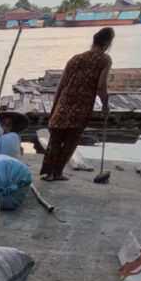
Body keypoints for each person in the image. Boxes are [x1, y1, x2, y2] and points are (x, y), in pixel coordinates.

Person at [40, 27, 114, 181]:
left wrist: (55, 105)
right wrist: (106, 104)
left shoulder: (75, 58)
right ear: (106, 43)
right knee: (70, 140)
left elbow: (62, 84)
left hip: (63, 103)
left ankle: (48, 174)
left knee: (55, 140)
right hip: (81, 106)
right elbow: (101, 86)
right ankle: (58, 172)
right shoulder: (104, 59)